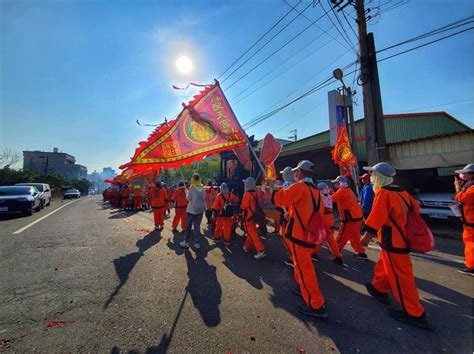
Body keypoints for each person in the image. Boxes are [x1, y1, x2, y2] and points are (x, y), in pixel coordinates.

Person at [360, 162, 428, 329]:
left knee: (401, 277)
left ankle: (414, 312)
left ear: (379, 177)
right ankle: (379, 288)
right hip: (401, 238)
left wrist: (366, 238)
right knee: (384, 265)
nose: (371, 177)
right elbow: (416, 208)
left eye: (373, 175)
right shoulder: (402, 192)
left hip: (393, 240)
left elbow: (376, 218)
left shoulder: (384, 193)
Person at [274, 160, 328, 319]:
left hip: (299, 236)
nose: (295, 174)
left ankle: (316, 304)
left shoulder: (299, 187)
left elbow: (279, 200)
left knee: (305, 269)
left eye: (296, 172)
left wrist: (279, 188)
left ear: (300, 173)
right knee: (303, 267)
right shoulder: (316, 191)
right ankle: (304, 288)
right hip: (310, 235)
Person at [332, 175, 367, 259]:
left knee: (342, 235)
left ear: (340, 183)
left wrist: (329, 193)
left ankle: (336, 251)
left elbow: (332, 199)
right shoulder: (348, 190)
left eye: (336, 183)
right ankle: (361, 253)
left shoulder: (342, 191)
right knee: (355, 237)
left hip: (349, 219)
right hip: (356, 217)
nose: (335, 185)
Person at [314, 182, 343, 265]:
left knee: (320, 237)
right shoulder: (329, 196)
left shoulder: (319, 196)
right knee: (329, 238)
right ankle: (338, 256)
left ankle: (314, 252)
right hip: (330, 218)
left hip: (323, 218)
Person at [454, 163, 474, 276]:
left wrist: (457, 188)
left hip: (471, 222)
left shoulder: (472, 188)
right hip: (469, 220)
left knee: (470, 244)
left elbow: (461, 198)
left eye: (465, 173)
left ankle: (471, 267)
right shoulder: (469, 186)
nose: (462, 175)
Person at [241, 177, 267, 259]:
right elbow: (262, 193)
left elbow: (243, 206)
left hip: (248, 216)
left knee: (252, 233)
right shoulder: (256, 192)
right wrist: (263, 186)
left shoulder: (247, 194)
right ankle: (247, 246)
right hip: (254, 216)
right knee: (251, 232)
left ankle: (261, 250)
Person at [180, 173, 206, 250]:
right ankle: (197, 243)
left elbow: (188, 198)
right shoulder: (202, 187)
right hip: (200, 209)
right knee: (197, 227)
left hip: (192, 210)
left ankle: (186, 242)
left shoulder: (192, 187)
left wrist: (186, 192)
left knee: (188, 227)